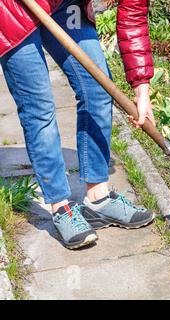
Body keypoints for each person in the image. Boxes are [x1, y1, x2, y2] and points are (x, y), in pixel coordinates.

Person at [0, 0, 156, 249]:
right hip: (11, 11)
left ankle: (98, 198)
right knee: (38, 107)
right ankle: (60, 206)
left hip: (64, 5)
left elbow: (133, 13)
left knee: (97, 89)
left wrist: (142, 90)